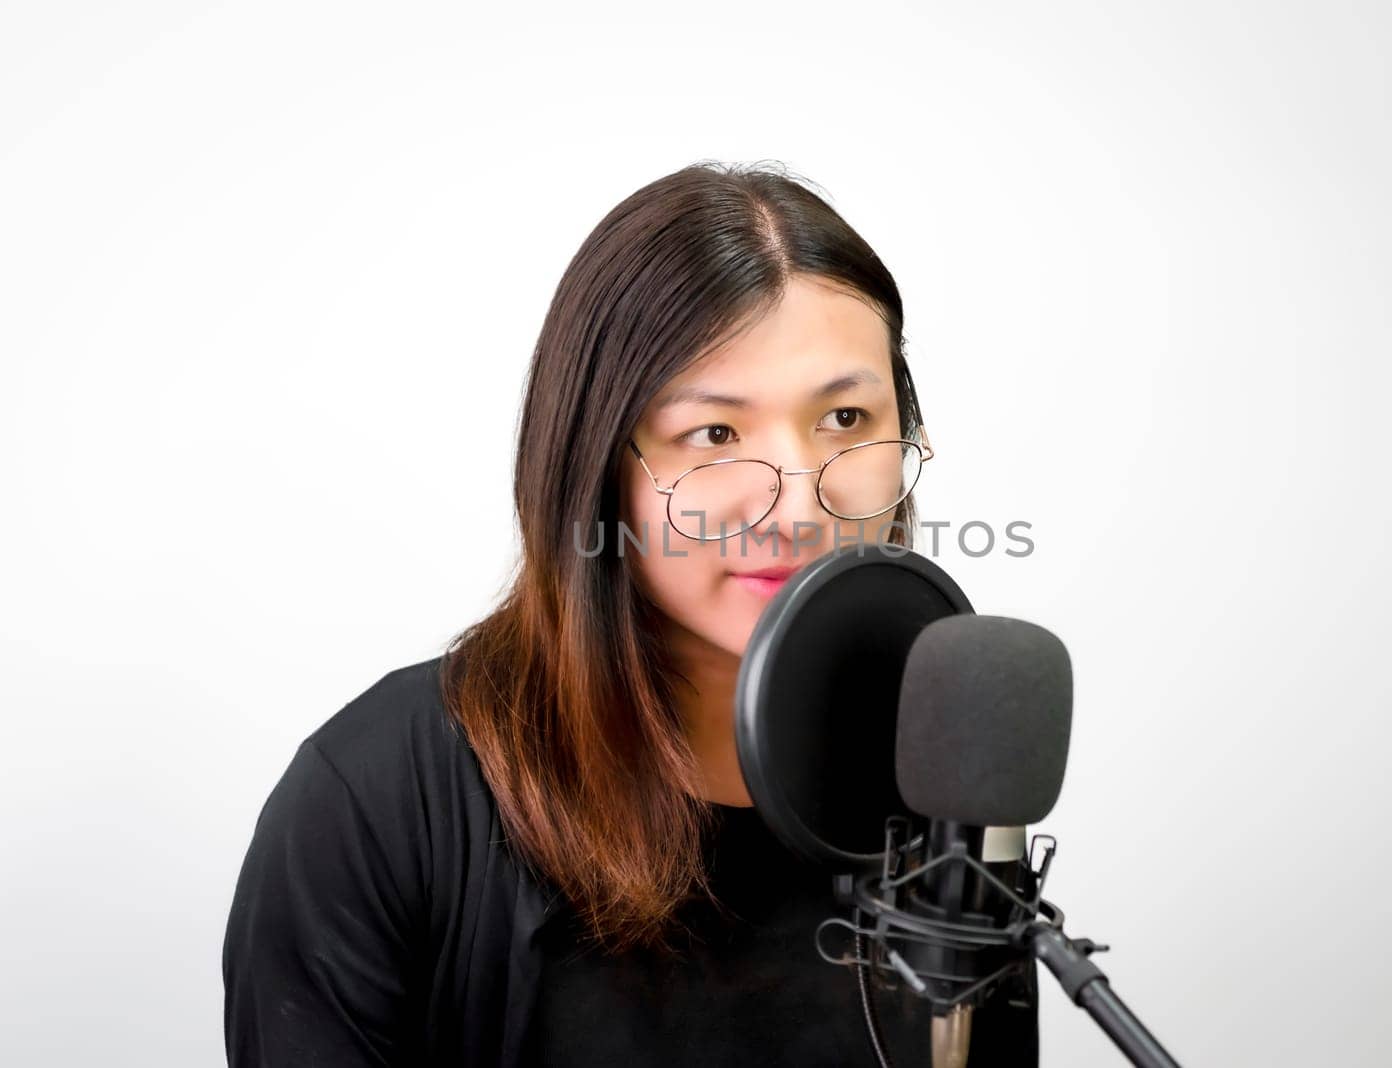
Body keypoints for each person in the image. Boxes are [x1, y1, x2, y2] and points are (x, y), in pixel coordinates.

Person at [221, 160, 1040, 1066]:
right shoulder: (380, 796)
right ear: (599, 463)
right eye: (716, 434)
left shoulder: (944, 777)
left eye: (846, 419)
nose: (799, 508)